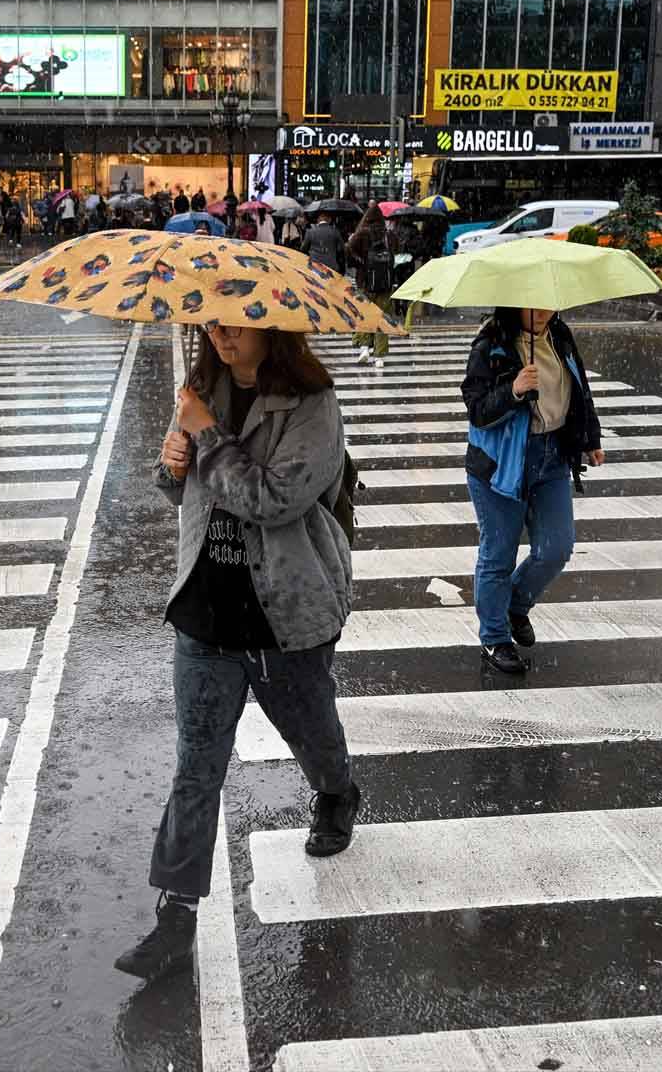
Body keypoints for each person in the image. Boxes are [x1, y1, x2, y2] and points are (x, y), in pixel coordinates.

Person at [114, 322, 359, 981]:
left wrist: (208, 436)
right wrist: (170, 466)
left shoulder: (314, 406)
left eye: (234, 322)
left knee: (312, 735)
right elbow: (188, 491)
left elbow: (273, 500)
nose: (219, 333)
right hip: (205, 613)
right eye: (210, 322)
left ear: (271, 327)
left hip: (285, 613)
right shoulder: (204, 391)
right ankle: (174, 920)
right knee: (196, 769)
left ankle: (337, 793)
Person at [461, 307, 604, 676]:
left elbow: (579, 388)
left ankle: (514, 604)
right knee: (498, 554)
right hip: (501, 463)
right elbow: (477, 411)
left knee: (556, 548)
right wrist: (513, 390)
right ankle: (494, 638)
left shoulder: (559, 335)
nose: (542, 312)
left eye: (547, 303)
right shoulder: (490, 345)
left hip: (552, 457)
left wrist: (590, 438)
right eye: (532, 304)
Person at [347, 203, 394, 369]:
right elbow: (394, 256)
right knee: (382, 317)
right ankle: (379, 356)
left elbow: (349, 250)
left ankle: (365, 348)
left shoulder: (362, 233)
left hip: (365, 282)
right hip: (385, 284)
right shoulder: (388, 235)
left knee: (365, 315)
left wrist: (360, 262)